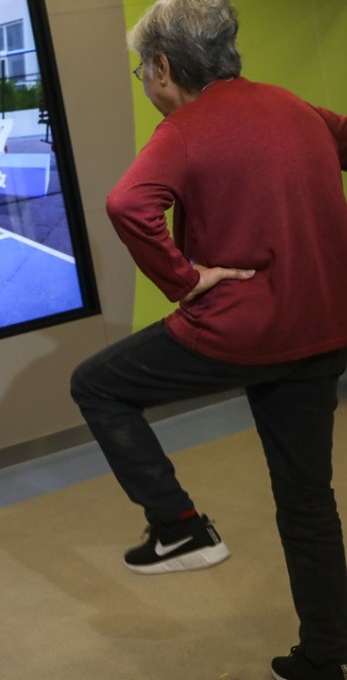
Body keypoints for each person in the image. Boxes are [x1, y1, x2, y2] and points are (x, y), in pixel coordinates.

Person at [68, 1, 347, 678]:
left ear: (164, 67)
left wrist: (185, 279)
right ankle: (327, 654)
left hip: (244, 330)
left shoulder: (188, 127)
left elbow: (127, 204)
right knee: (307, 496)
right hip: (325, 326)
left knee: (97, 384)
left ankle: (180, 524)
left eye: (142, 68)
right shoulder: (292, 106)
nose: (142, 79)